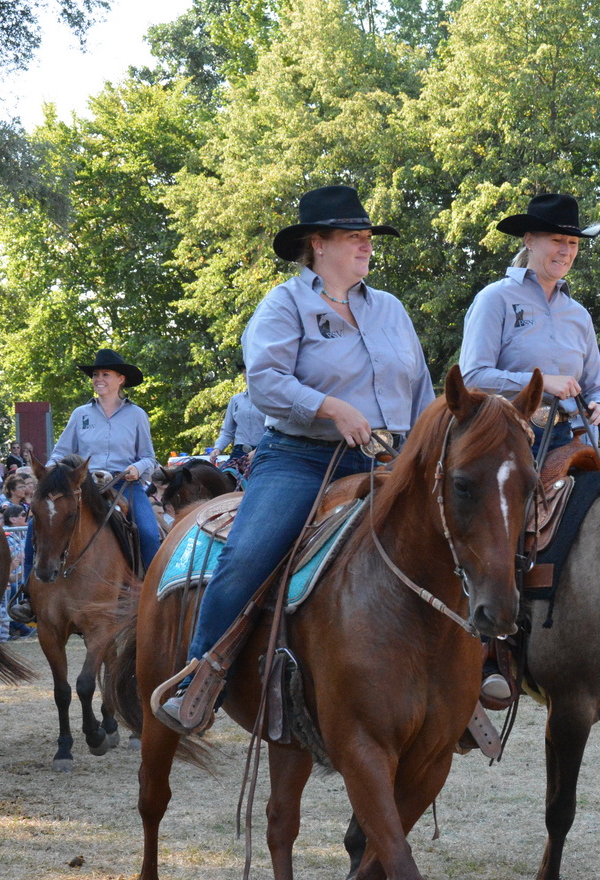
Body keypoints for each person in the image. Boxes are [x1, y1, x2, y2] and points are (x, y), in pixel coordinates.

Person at [155, 185, 432, 733]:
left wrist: (423, 451)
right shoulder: (284, 304)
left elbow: (421, 388)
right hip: (300, 458)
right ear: (317, 244)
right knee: (249, 554)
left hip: (386, 459)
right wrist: (332, 407)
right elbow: (265, 381)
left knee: (451, 541)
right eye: (353, 237)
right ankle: (201, 675)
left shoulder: (392, 310)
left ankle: (466, 676)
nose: (366, 245)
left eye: (368, 237)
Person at [7, 349, 159, 622]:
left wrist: (138, 468)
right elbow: (60, 451)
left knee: (148, 532)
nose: (98, 379)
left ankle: (154, 596)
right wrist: (50, 471)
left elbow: (149, 456)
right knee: (34, 525)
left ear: (121, 379)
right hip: (82, 485)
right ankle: (28, 594)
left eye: (105, 374)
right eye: (95, 374)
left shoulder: (137, 415)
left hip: (124, 484)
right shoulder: (80, 414)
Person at [460, 192, 600, 452]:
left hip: (568, 437)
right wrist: (539, 383)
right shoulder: (494, 299)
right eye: (556, 240)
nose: (565, 251)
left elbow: (597, 387)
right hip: (505, 436)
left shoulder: (579, 315)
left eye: (573, 242)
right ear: (529, 240)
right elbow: (472, 378)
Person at [210, 387, 268, 469]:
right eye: (245, 373)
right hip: (238, 453)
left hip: (263, 453)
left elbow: (273, 432)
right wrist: (217, 449)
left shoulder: (270, 400)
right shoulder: (235, 400)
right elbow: (227, 432)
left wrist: (256, 451)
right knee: (218, 475)